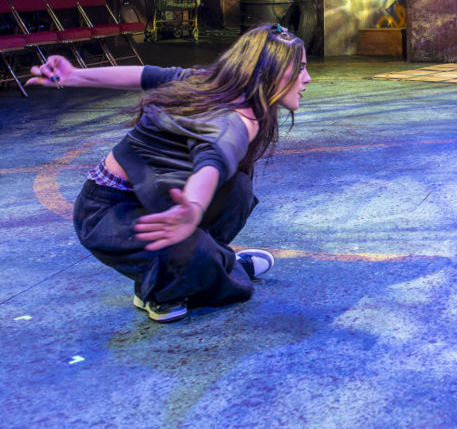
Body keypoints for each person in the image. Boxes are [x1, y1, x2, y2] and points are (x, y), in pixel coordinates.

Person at [27, 24, 312, 323]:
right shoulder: (237, 120)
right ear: (266, 71)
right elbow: (211, 163)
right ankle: (208, 270)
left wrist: (75, 75)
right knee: (225, 280)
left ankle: (192, 268)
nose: (306, 79)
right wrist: (194, 208)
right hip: (106, 213)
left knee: (238, 189)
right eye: (299, 69)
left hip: (154, 198)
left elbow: (146, 76)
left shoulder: (212, 83)